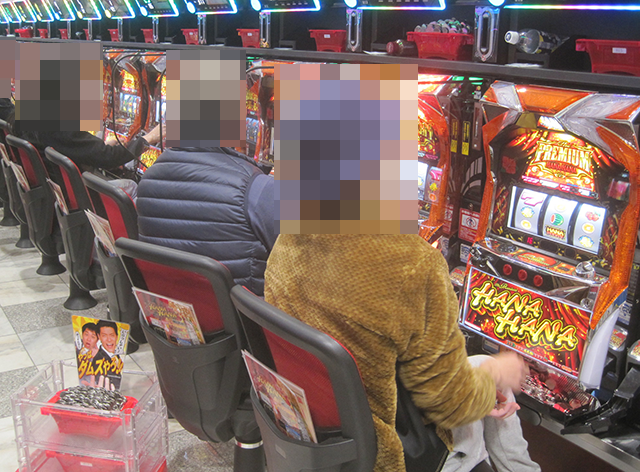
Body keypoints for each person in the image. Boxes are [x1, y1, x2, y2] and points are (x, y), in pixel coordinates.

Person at [263, 234, 537, 472]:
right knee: (491, 368)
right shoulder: (416, 262)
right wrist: (497, 374)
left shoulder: (290, 236)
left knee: (480, 366)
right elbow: (450, 405)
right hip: (390, 453)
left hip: (315, 429)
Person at [136, 146, 276, 296]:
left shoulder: (147, 180)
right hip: (245, 309)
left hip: (170, 306)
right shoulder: (256, 187)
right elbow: (294, 255)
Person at [91, 320, 125, 391]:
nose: (109, 340)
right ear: (99, 337)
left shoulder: (115, 355)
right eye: (104, 336)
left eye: (112, 335)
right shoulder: (98, 360)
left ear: (117, 336)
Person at [77, 322, 100, 386]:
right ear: (82, 335)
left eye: (93, 337)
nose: (88, 339)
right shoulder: (76, 349)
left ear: (97, 340)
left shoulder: (99, 356)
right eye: (86, 334)